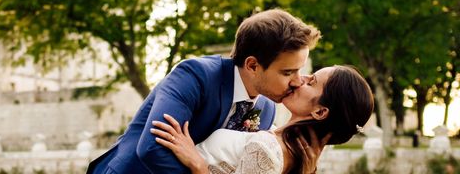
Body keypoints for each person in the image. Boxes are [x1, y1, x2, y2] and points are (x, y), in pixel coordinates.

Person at [87, 9, 322, 174]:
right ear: (252, 65)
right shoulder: (195, 76)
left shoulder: (267, 109)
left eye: (299, 71)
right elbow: (152, 149)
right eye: (287, 72)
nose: (297, 81)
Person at [151, 65, 374, 174]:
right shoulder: (280, 140)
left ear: (320, 112)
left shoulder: (268, 148)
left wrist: (197, 164)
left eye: (312, 80)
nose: (301, 78)